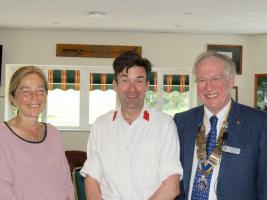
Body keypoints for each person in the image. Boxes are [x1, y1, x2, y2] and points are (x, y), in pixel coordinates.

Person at [81, 51, 183, 200]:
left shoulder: (164, 125)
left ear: (147, 85)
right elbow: (91, 179)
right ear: (115, 85)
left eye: (139, 81)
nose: (132, 89)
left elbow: (172, 185)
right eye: (125, 80)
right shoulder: (100, 126)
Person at [174, 51, 267, 200]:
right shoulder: (182, 121)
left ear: (231, 81)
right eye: (202, 80)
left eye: (215, 78)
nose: (208, 87)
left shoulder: (259, 123)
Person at [0, 66, 74, 200]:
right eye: (26, 91)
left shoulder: (52, 133)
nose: (34, 97)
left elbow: (65, 180)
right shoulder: (3, 136)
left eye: (40, 91)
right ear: (13, 98)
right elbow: (3, 191)